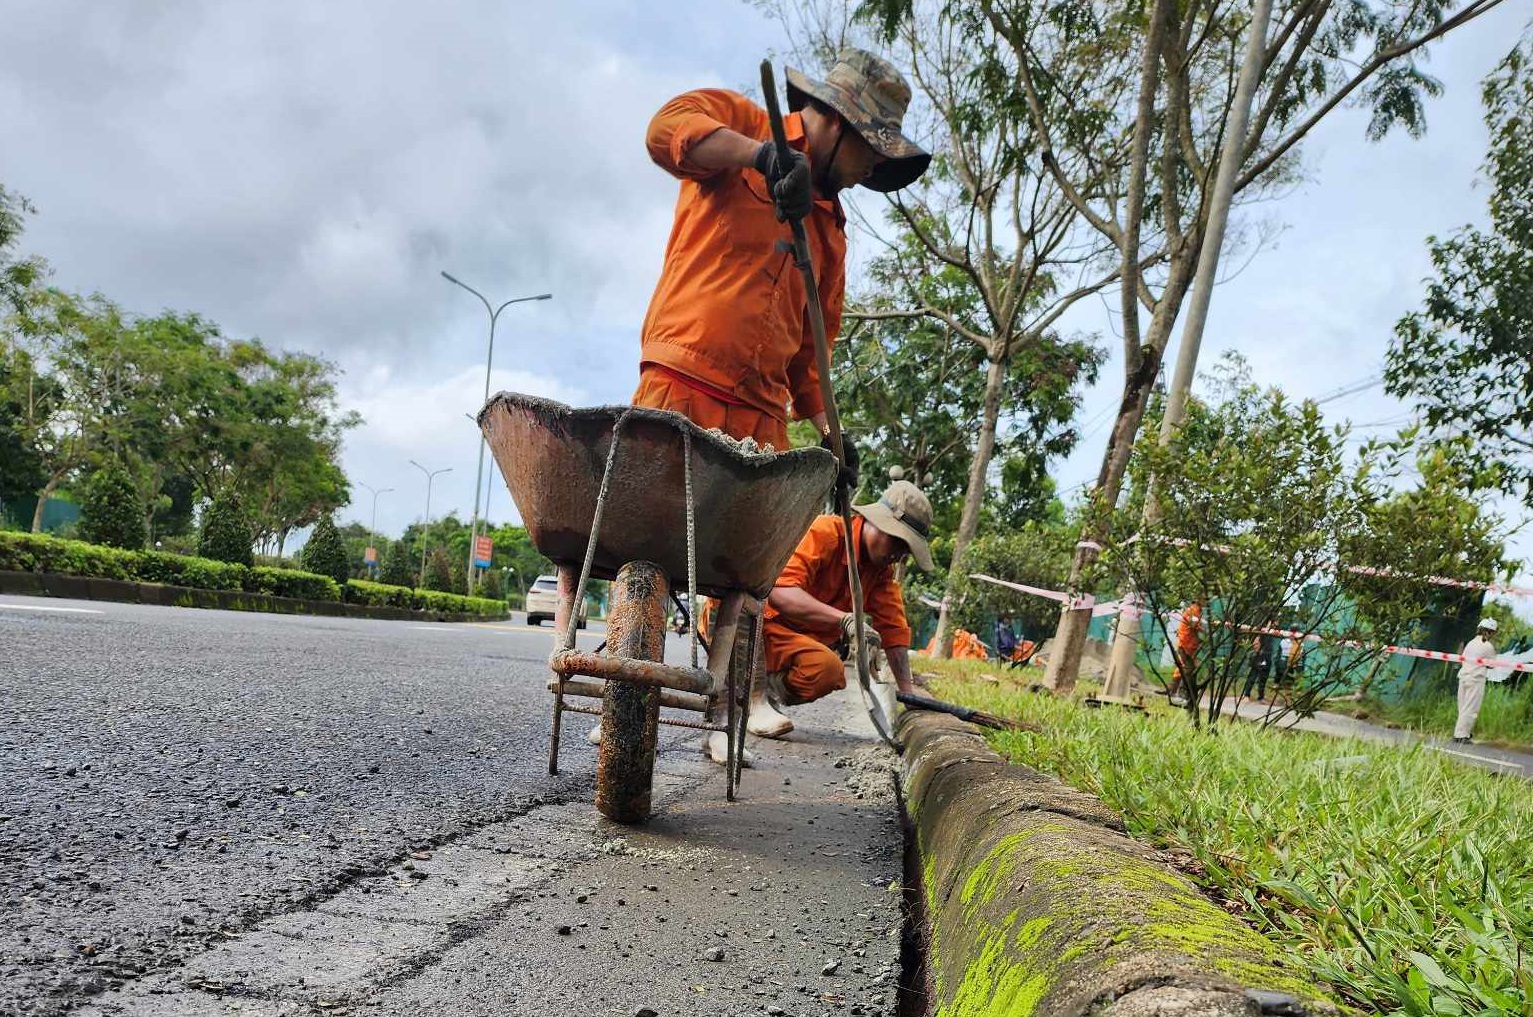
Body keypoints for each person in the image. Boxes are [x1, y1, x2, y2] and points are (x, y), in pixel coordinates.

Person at [634, 49, 930, 457]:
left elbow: (811, 360)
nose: (874, 168)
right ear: (838, 119)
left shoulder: (832, 229)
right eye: (872, 150)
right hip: (683, 386)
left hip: (762, 428)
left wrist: (834, 436)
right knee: (654, 518)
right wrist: (760, 157)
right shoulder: (745, 126)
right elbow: (664, 131)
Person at [748, 480, 935, 739]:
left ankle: (762, 695)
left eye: (905, 551)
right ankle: (748, 695)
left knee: (827, 671)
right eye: (898, 543)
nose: (898, 555)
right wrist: (845, 620)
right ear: (877, 523)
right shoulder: (825, 533)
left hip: (792, 645)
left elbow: (894, 630)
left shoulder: (879, 572)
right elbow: (780, 593)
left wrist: (907, 691)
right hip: (752, 629)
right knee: (820, 662)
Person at [1453, 617, 1499, 744]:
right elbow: (1492, 664)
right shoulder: (1488, 646)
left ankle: (1460, 733)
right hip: (1476, 679)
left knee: (1463, 707)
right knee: (1471, 708)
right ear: (1489, 632)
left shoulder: (1471, 643)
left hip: (1463, 677)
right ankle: (1461, 735)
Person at [1166, 602, 1203, 702]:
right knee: (1189, 668)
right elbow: (1193, 624)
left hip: (1188, 645)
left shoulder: (1195, 610)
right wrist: (1201, 628)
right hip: (1186, 645)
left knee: (1183, 666)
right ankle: (1181, 692)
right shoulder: (1194, 610)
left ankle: (1172, 689)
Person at [1242, 634, 1273, 702]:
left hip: (1263, 665)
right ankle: (1246, 695)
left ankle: (1261, 697)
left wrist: (1261, 665)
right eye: (1254, 643)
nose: (1254, 645)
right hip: (1256, 663)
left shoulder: (1266, 651)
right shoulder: (1253, 653)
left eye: (1257, 643)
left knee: (1262, 681)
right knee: (1251, 679)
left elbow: (1266, 662)